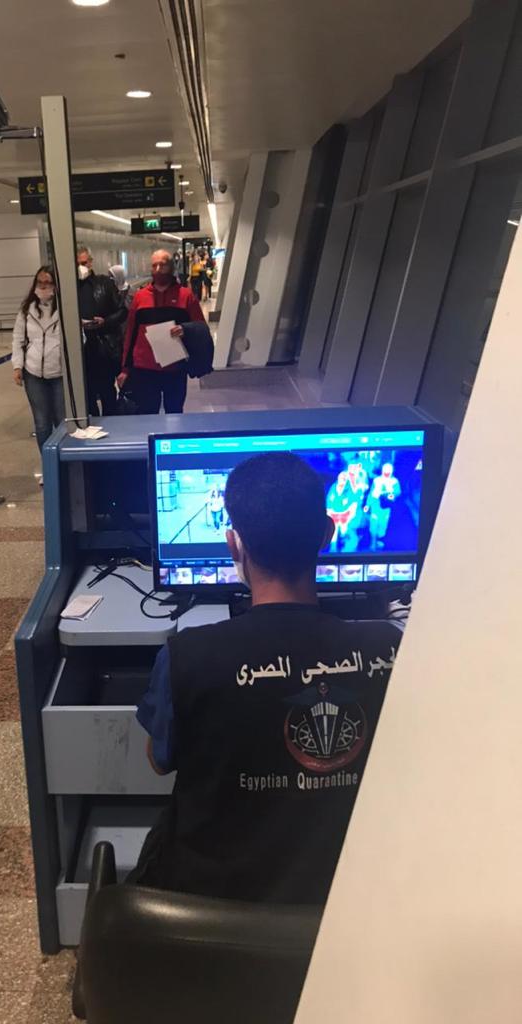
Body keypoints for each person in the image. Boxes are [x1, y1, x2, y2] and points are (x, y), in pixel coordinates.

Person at [130, 452, 403, 904]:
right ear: (327, 535)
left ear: (234, 546)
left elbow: (159, 760)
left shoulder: (188, 657)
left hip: (212, 914)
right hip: (349, 908)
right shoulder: (390, 651)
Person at [117, 249, 205, 414]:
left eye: (162, 265)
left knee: (175, 412)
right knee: (147, 413)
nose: (158, 269)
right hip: (145, 368)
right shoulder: (140, 297)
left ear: (171, 267)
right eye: (154, 265)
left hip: (175, 368)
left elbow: (200, 328)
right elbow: (130, 335)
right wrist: (125, 369)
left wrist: (185, 330)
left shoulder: (186, 296)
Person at [12, 266, 64, 457]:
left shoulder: (65, 308)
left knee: (62, 421)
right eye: (40, 282)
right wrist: (17, 366)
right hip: (33, 373)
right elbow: (18, 339)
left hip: (59, 373)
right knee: (42, 423)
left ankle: (64, 463)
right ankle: (49, 465)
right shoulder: (27, 310)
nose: (43, 287)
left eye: (48, 283)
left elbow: (78, 338)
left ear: (55, 285)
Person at [77, 246, 126, 417]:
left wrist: (105, 322)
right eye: (77, 264)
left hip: (104, 347)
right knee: (87, 393)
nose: (81, 267)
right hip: (81, 350)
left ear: (91, 262)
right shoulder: (69, 288)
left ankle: (111, 423)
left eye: (84, 263)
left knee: (107, 391)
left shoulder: (105, 284)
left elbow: (122, 311)